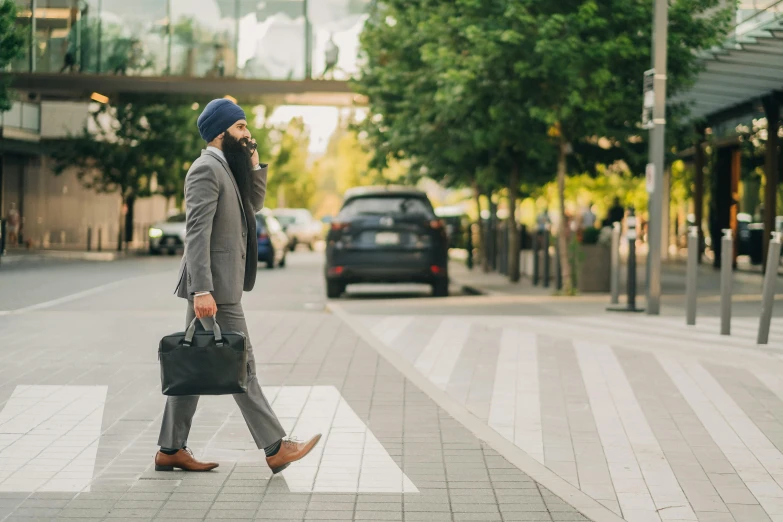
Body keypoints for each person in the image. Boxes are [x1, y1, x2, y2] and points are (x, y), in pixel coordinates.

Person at [156, 99, 321, 473]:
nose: (248, 134)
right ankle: (276, 446)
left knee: (197, 361)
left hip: (219, 285)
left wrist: (252, 161)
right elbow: (196, 233)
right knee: (240, 363)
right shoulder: (205, 169)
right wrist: (201, 290)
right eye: (242, 127)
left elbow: (254, 205)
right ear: (221, 131)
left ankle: (170, 449)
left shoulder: (227, 167)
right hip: (214, 288)